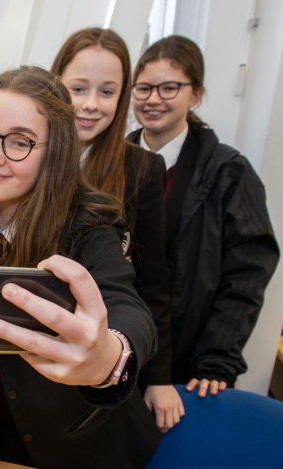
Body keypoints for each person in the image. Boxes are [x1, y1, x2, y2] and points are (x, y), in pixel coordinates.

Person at [0, 66, 161, 469]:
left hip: (91, 456)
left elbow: (127, 306)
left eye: (19, 142)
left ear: (54, 152)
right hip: (5, 451)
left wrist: (108, 359)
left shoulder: (90, 226)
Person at [128, 36, 279, 398]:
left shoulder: (229, 172)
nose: (152, 99)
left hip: (189, 360)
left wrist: (217, 358)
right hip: (120, 345)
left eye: (169, 88)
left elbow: (247, 274)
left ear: (195, 95)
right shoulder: (112, 163)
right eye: (143, 88)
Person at [51, 28, 180, 433]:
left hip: (103, 360)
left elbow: (153, 282)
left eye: (107, 92)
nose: (90, 105)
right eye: (78, 88)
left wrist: (158, 377)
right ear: (56, 85)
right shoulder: (29, 158)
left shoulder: (142, 168)